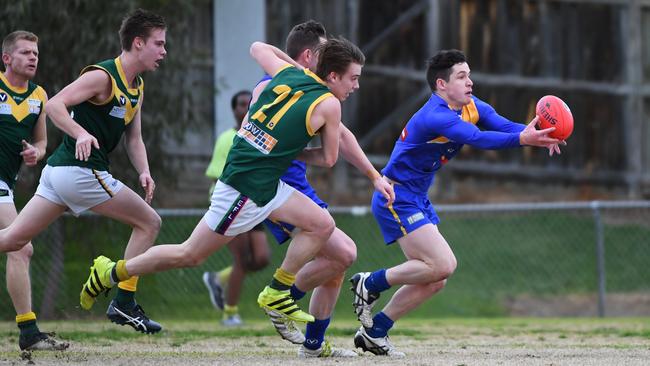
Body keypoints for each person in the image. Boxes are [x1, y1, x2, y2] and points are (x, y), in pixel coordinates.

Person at [79, 36, 365, 348]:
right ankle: (111, 272)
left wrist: (294, 75)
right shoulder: (330, 104)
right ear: (333, 76)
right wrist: (288, 153)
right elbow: (328, 158)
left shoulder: (288, 73)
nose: (356, 86)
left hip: (262, 181)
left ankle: (277, 292)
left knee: (322, 224)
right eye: (354, 78)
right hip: (245, 188)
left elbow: (257, 46)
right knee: (189, 254)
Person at [350, 49, 564, 357]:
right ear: (441, 85)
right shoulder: (436, 116)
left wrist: (540, 133)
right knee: (444, 264)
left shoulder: (471, 106)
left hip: (415, 197)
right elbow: (477, 138)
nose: (470, 82)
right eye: (461, 77)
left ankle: (375, 332)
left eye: (469, 75)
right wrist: (524, 140)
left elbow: (503, 126)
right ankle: (370, 282)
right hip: (395, 197)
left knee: (436, 278)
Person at [0, 9, 167, 335]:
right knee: (150, 222)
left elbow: (134, 138)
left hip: (58, 175)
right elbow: (55, 105)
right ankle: (124, 301)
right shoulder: (103, 76)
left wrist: (144, 170)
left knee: (14, 240)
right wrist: (81, 133)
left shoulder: (137, 86)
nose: (163, 52)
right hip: (79, 172)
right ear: (137, 43)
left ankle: (120, 302)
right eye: (158, 44)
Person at [253, 20, 394, 358]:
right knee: (344, 252)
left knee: (337, 264)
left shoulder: (316, 93)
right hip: (275, 187)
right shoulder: (274, 86)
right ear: (308, 56)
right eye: (323, 52)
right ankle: (281, 298)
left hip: (297, 185)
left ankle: (313, 345)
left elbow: (342, 139)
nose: (329, 58)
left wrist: (375, 176)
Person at [0, 30, 69, 351]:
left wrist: (35, 153)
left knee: (18, 248)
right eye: (26, 52)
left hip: (7, 183)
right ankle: (28, 332)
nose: (32, 58)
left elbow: (41, 142)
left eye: (36, 54)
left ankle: (28, 332)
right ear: (6, 58)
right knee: (20, 247)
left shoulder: (39, 96)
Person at [202, 89, 270, 326]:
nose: (245, 108)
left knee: (261, 258)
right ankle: (229, 314)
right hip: (231, 203)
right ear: (234, 110)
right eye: (241, 104)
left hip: (254, 202)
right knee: (242, 259)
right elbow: (216, 176)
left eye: (249, 104)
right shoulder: (227, 138)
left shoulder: (259, 135)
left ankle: (218, 279)